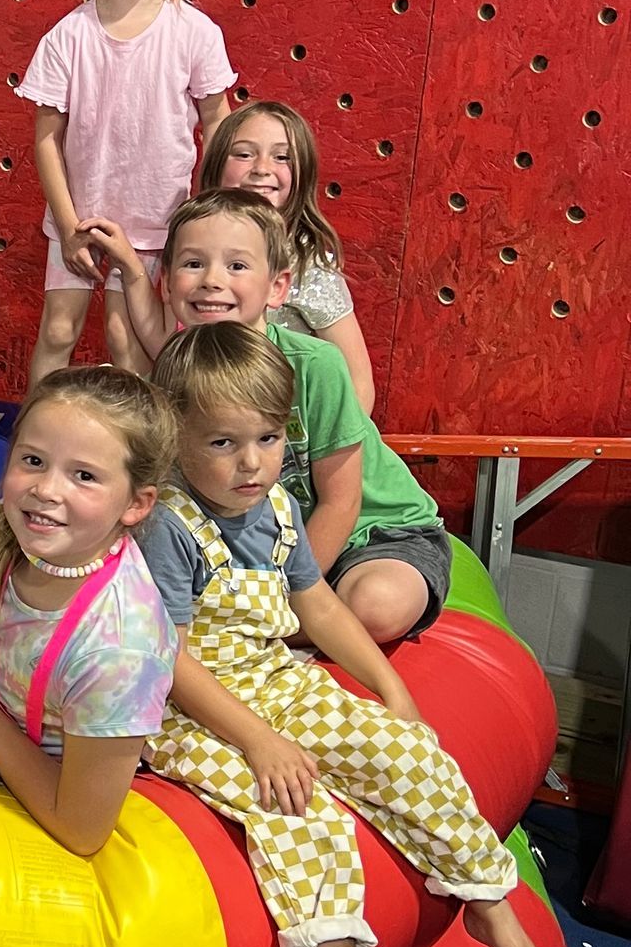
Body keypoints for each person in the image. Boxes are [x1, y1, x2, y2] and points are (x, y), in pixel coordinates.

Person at [138, 324, 562, 947]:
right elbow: (169, 659)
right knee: (296, 812)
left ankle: (488, 900)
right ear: (174, 434)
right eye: (224, 443)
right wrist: (261, 741)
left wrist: (387, 688)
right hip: (185, 710)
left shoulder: (274, 507)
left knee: (402, 751)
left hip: (273, 679)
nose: (251, 462)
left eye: (267, 439)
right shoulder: (170, 522)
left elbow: (318, 605)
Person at [97, 191, 450, 644]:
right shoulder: (172, 374)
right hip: (253, 542)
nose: (211, 281)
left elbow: (341, 502)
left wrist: (279, 603)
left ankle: (267, 630)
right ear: (165, 283)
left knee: (376, 606)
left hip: (371, 534)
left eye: (237, 266)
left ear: (277, 287)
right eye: (192, 264)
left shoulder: (315, 365)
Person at [0, 367, 179, 859]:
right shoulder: (2, 532)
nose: (46, 490)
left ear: (137, 503)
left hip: (58, 779)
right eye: (33, 460)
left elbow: (82, 830)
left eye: (84, 475)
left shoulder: (120, 651)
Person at [17, 0, 233, 383]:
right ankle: (33, 449)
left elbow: (218, 123)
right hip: (80, 218)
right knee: (59, 331)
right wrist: (68, 228)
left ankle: (142, 460)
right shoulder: (67, 37)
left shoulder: (195, 33)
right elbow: (47, 138)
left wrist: (211, 214)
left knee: (126, 337)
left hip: (155, 221)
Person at [199, 98, 374, 411]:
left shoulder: (309, 265)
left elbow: (359, 383)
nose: (262, 168)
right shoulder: (194, 249)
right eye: (243, 154)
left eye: (282, 157)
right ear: (215, 166)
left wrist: (333, 451)